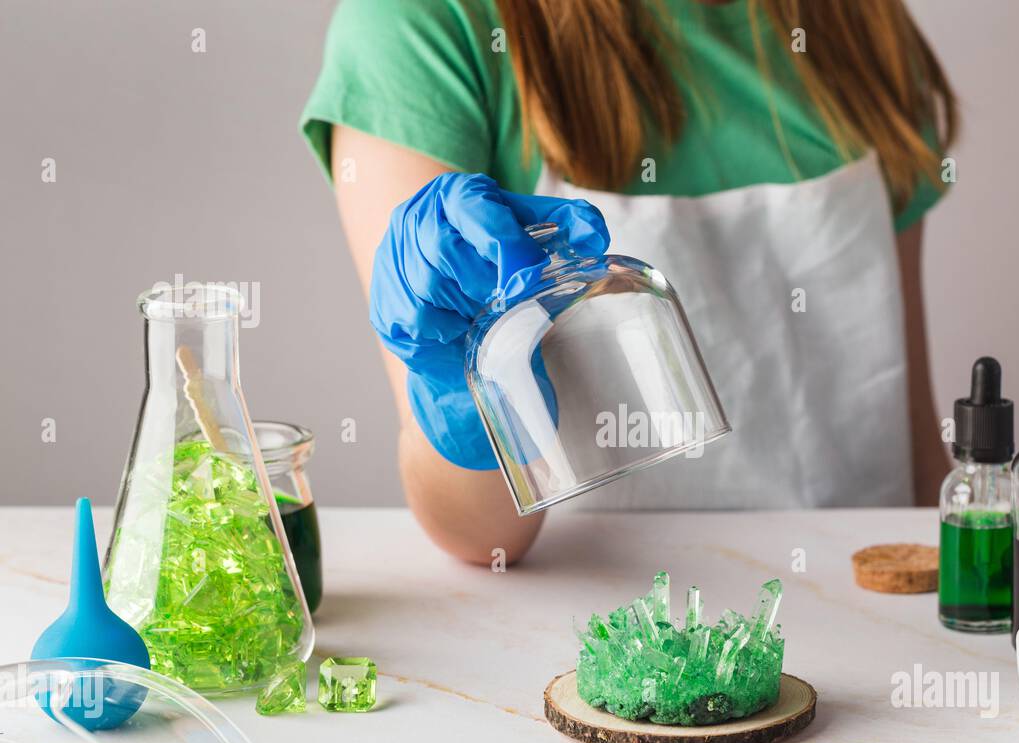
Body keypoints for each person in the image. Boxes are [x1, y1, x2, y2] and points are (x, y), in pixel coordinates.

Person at [302, 0, 958, 564]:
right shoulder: (425, 26)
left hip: (864, 623)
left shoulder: (857, 25)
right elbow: (483, 538)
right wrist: (459, 398)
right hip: (596, 650)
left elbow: (906, 428)